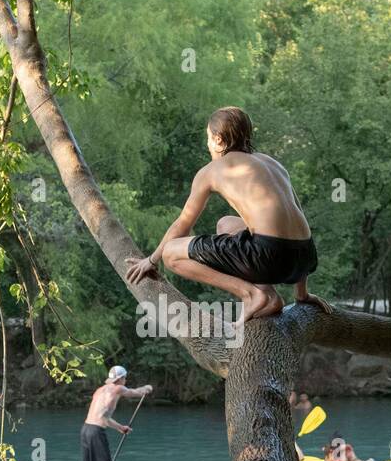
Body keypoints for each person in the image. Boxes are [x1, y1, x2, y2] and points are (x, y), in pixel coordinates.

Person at [124, 107, 326, 323]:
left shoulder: (211, 170)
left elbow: (182, 225)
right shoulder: (273, 164)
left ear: (219, 140)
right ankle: (269, 296)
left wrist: (152, 260)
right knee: (226, 224)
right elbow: (297, 224)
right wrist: (301, 295)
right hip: (304, 258)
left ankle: (252, 294)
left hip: (270, 257)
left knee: (170, 254)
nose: (208, 144)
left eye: (209, 138)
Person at [80, 366, 152, 461]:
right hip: (96, 432)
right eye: (124, 378)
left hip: (86, 429)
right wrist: (146, 388)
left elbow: (103, 416)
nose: (125, 381)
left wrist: (120, 427)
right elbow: (135, 393)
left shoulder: (99, 390)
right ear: (120, 379)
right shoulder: (118, 389)